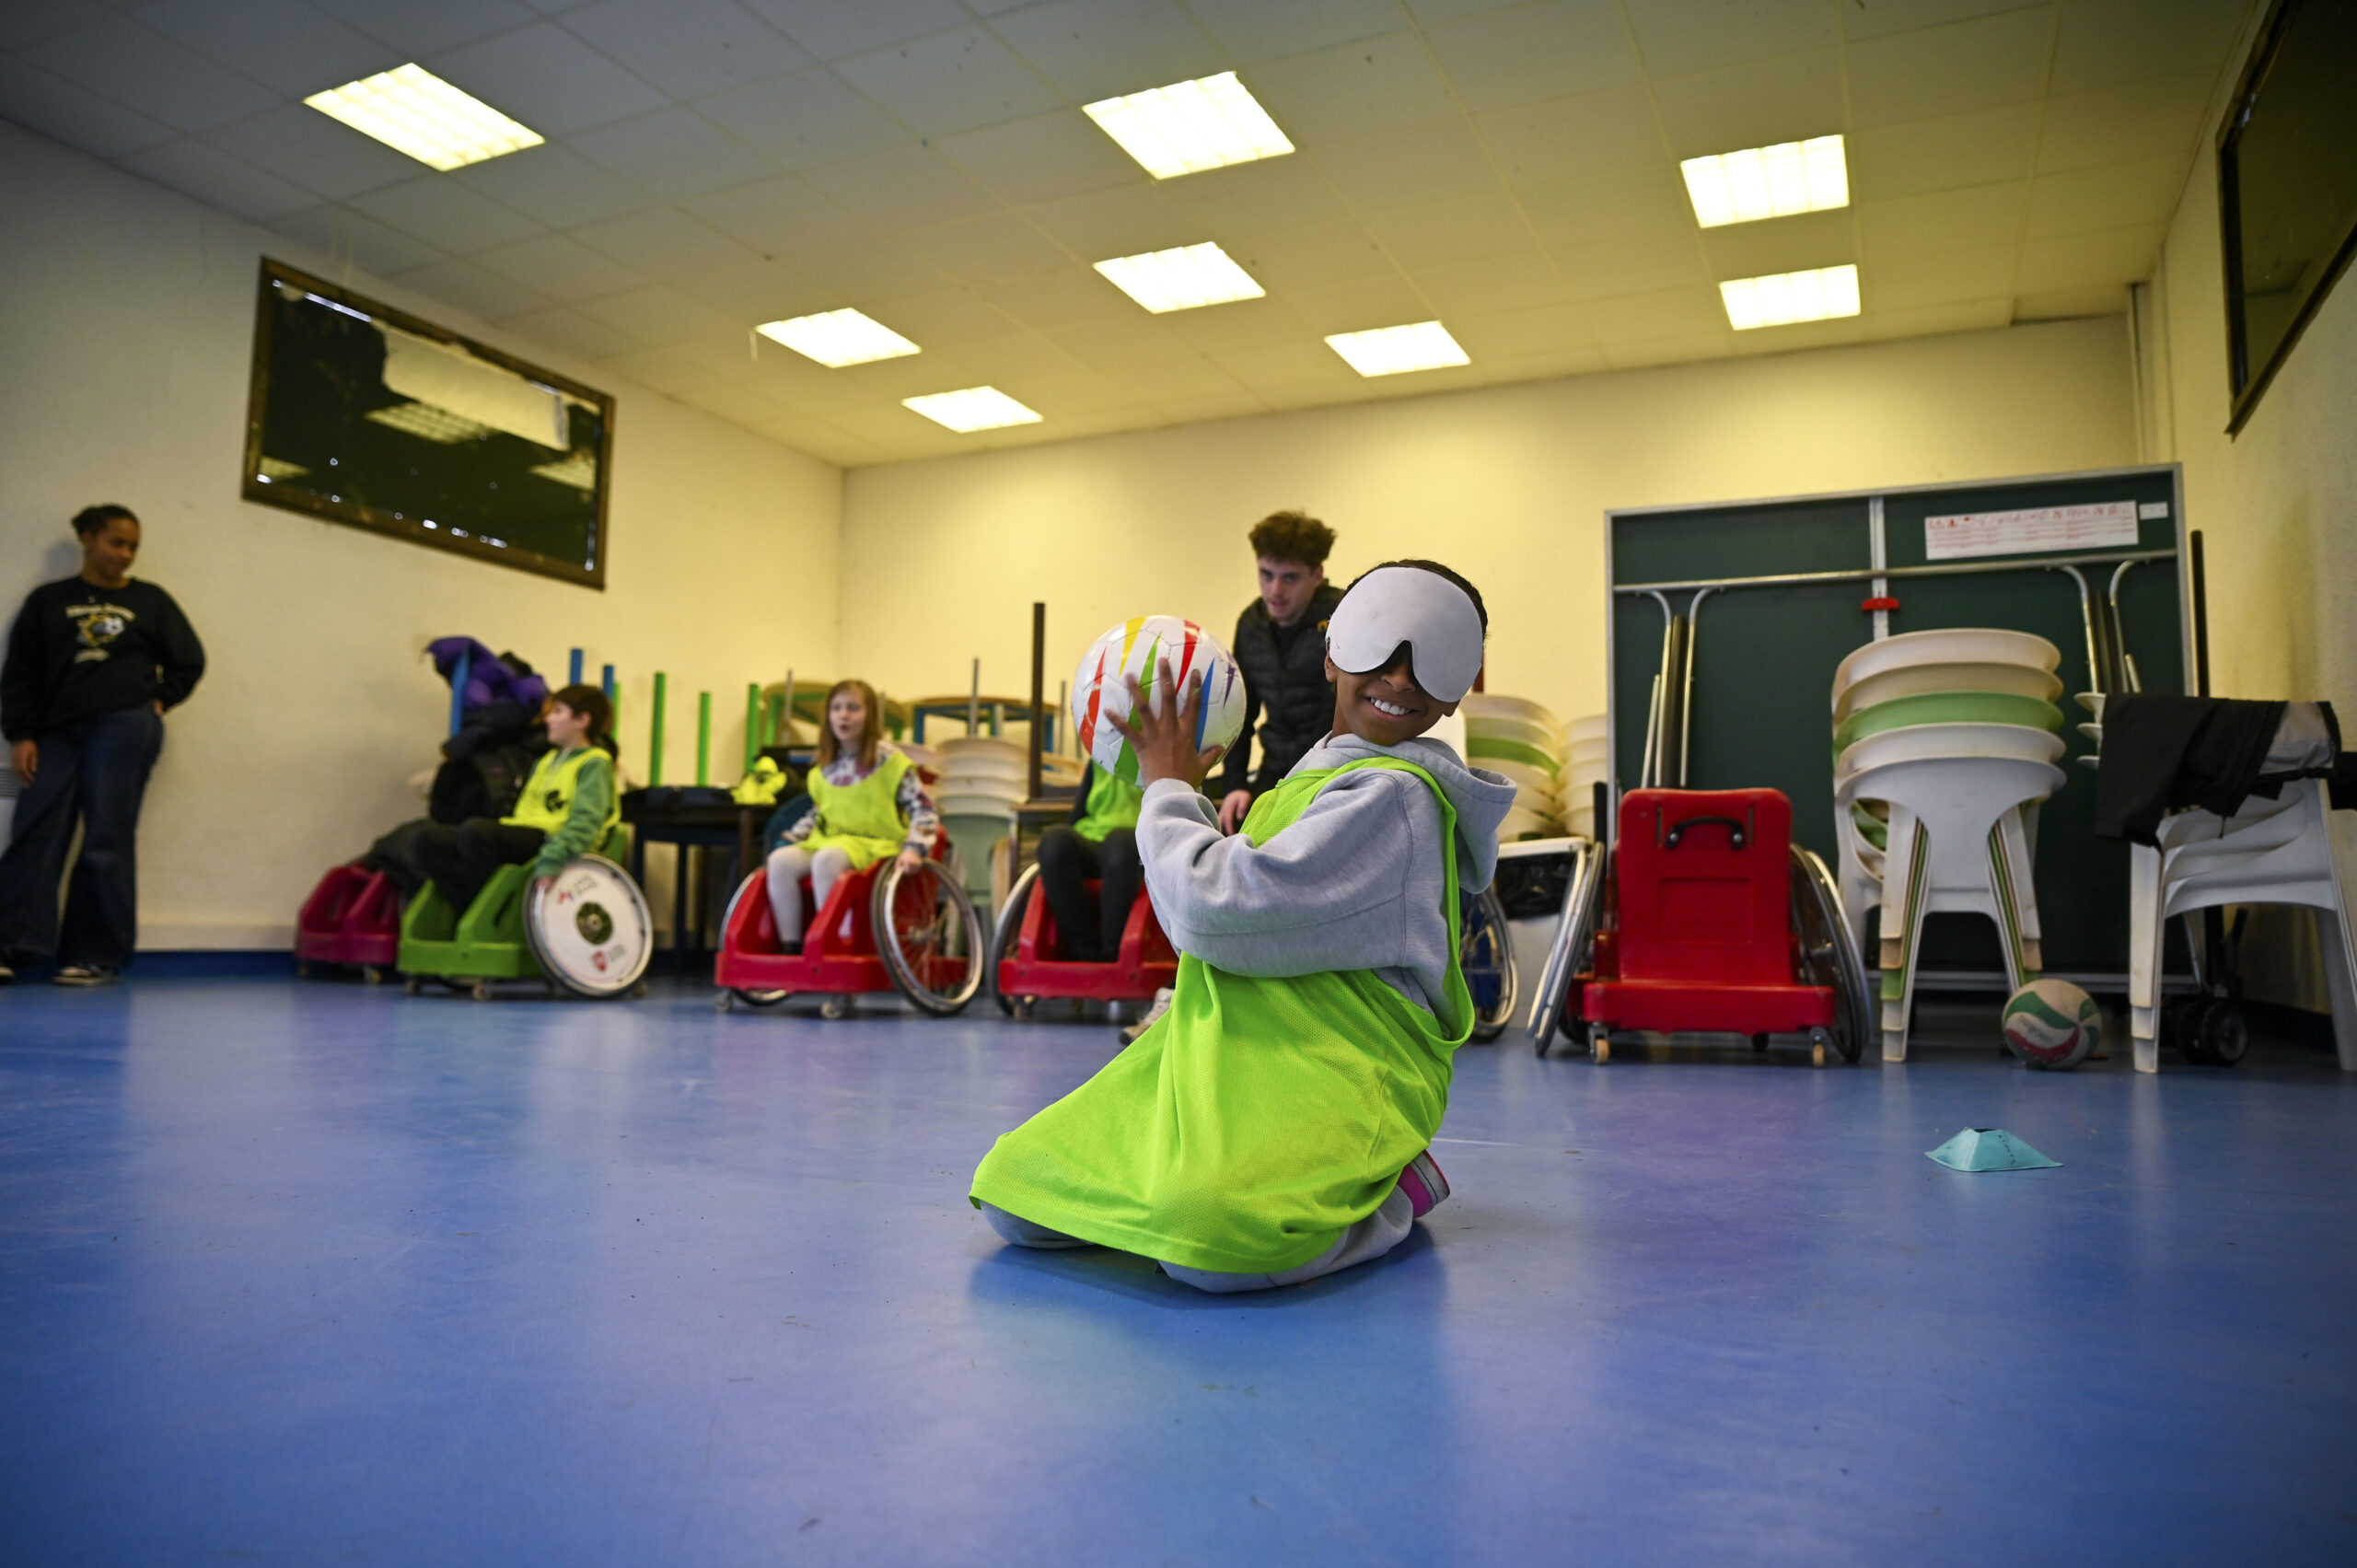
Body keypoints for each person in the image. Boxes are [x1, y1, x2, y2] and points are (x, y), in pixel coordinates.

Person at [970, 561, 1515, 1293]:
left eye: (1434, 657)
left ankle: (1389, 1194)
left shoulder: (1397, 800)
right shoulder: (1312, 778)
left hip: (1339, 1069)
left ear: (1458, 691)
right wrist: (1186, 793)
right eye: (1379, 643)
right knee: (1013, 1189)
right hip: (1220, 1049)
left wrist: (1167, 785)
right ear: (1331, 653)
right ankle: (1192, 1186)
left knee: (1205, 1249)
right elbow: (1226, 896)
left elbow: (1212, 911)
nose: (1400, 677)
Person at [0, 505, 205, 986]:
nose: (126, 555)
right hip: (57, 730)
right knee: (37, 830)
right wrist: (22, 734)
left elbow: (189, 660)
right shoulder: (48, 601)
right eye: (116, 542)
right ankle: (12, 945)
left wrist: (160, 700)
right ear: (89, 539)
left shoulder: (151, 601)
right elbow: (20, 675)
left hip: (124, 726)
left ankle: (94, 956)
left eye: (133, 546)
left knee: (106, 837)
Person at [410, 684, 619, 917]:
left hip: (553, 839)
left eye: (558, 711)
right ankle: (473, 912)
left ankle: (495, 914)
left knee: (476, 832)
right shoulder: (546, 761)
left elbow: (587, 821)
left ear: (582, 720)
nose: (548, 719)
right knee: (427, 839)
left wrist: (553, 859)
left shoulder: (594, 763)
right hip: (526, 831)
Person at [763, 680, 937, 952]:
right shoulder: (825, 765)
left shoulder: (889, 760)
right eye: (836, 708)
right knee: (779, 861)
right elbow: (819, 813)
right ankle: (791, 947)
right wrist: (790, 840)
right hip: (831, 840)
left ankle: (835, 944)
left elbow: (923, 808)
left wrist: (915, 848)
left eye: (853, 708)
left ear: (869, 716)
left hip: (876, 844)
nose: (843, 715)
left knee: (827, 858)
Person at [1216, 510, 1346, 834]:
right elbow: (1240, 715)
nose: (1275, 590)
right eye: (1266, 574)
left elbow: (1339, 711)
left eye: (1290, 578)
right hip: (1273, 767)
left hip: (1331, 770)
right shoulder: (1250, 624)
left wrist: (1299, 787)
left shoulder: (1344, 618)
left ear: (1317, 575)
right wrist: (1234, 786)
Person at [1031, 759, 1145, 963]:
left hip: (1139, 844)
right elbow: (1078, 816)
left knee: (1119, 844)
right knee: (1054, 841)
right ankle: (1082, 952)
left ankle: (1112, 955)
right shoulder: (1099, 757)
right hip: (1094, 841)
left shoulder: (1165, 750)